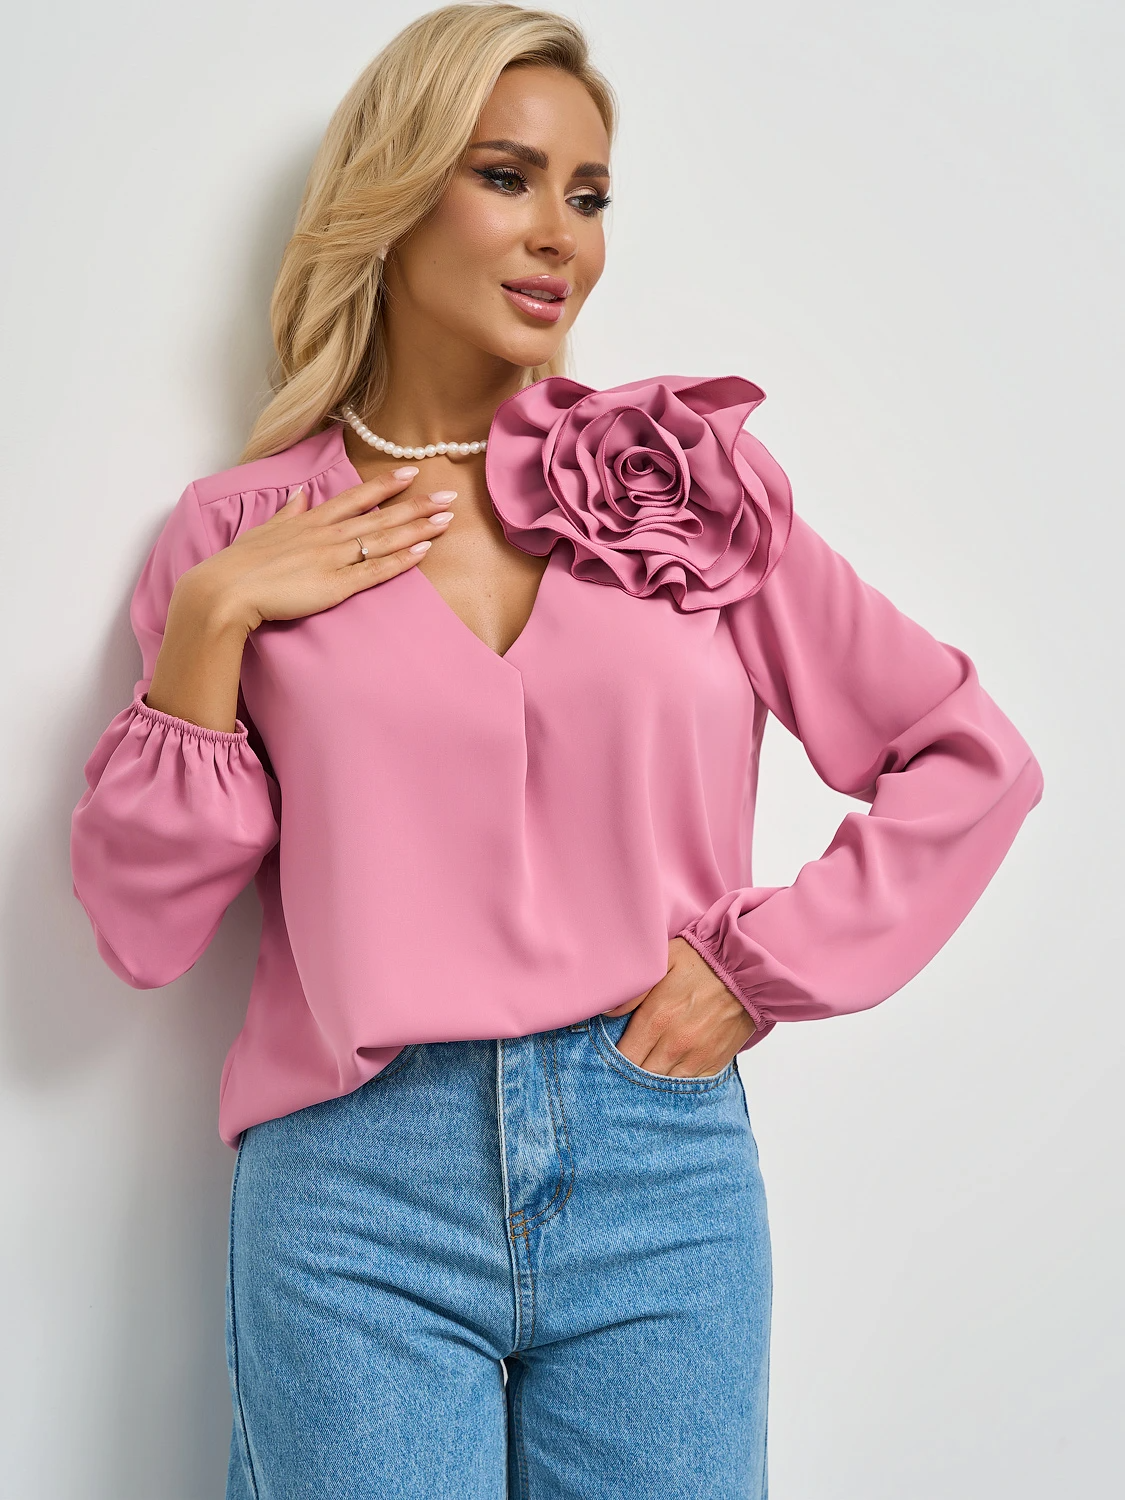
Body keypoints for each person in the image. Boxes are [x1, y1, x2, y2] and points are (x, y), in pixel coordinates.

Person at [69, 5, 1045, 1497]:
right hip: (353, 1188)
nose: (560, 237)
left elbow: (966, 755)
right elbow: (141, 933)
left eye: (588, 195)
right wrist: (209, 628)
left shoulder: (685, 492)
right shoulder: (239, 538)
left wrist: (759, 966)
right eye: (507, 177)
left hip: (659, 1170)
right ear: (394, 198)